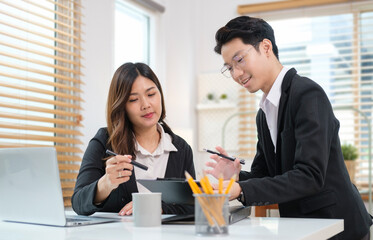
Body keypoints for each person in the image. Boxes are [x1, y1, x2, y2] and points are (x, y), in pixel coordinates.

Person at [206, 16, 372, 240]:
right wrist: (236, 178)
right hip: (303, 229)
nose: (236, 74)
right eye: (230, 67)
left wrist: (241, 190)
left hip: (338, 227)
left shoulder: (307, 94)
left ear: (266, 47)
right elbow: (264, 174)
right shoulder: (263, 114)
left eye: (240, 60)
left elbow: (309, 176)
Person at [72, 62, 195, 216]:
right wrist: (106, 183)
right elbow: (78, 203)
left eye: (151, 94)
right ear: (121, 105)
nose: (146, 105)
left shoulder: (181, 149)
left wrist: (158, 207)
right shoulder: (104, 141)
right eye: (133, 100)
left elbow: (193, 205)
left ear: (160, 95)